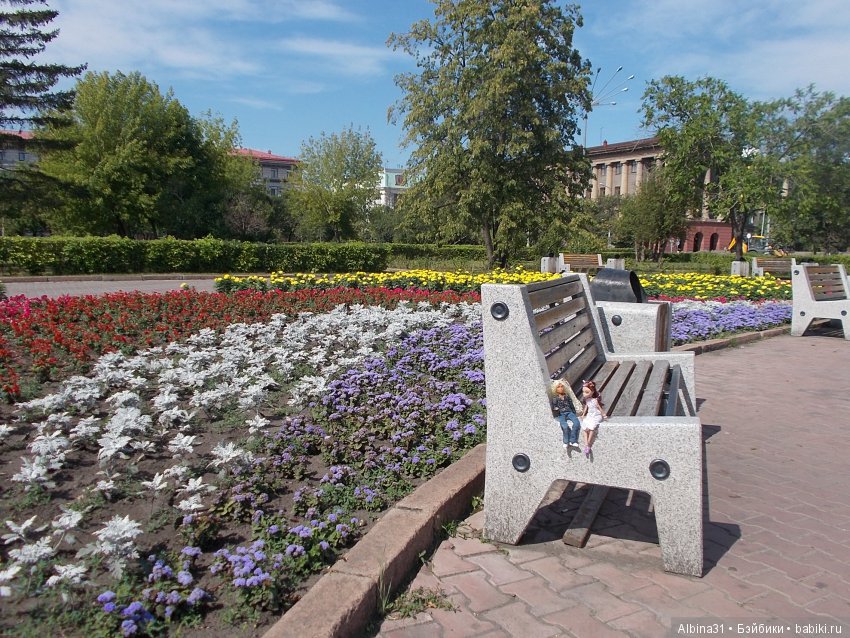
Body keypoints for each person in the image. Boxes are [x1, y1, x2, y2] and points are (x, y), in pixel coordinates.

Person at [579, 380, 607, 458]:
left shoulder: (595, 400)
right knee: (585, 428)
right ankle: (586, 445)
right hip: (590, 415)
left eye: (587, 392)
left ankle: (588, 443)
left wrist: (603, 414)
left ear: (592, 391)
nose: (584, 394)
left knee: (592, 428)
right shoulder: (587, 400)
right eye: (583, 392)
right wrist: (583, 414)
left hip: (596, 415)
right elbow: (586, 408)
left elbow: (599, 408)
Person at [551, 380, 581, 451]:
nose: (561, 388)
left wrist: (574, 413)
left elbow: (571, 405)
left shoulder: (567, 397)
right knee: (564, 426)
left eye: (562, 386)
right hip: (561, 414)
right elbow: (554, 407)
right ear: (555, 389)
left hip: (569, 412)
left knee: (576, 423)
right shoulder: (555, 398)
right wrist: (556, 409)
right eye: (558, 387)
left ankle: (573, 440)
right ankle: (566, 441)